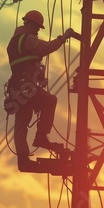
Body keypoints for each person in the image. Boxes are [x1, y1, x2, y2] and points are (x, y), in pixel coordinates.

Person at [5, 10, 77, 171]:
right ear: (31, 24)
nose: (38, 31)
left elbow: (25, 64)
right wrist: (63, 37)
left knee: (21, 124)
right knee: (50, 101)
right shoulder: (26, 39)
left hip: (18, 90)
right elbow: (45, 48)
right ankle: (41, 137)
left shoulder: (14, 42)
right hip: (26, 89)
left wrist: (38, 78)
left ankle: (22, 159)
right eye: (37, 27)